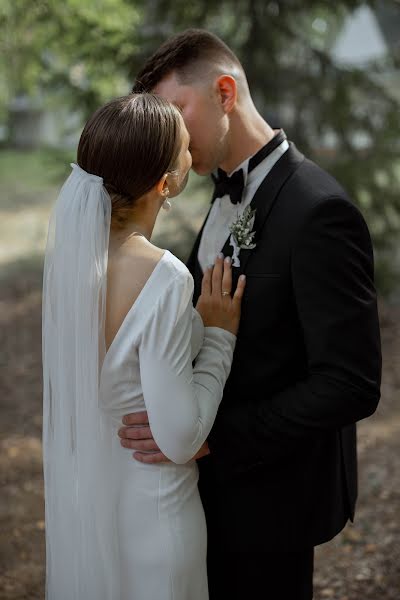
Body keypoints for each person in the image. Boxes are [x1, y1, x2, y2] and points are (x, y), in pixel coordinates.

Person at [118, 29, 382, 599]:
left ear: (224, 93)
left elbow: (351, 383)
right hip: (202, 493)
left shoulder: (322, 212)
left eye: (177, 111)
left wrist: (217, 437)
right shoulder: (220, 195)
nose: (170, 132)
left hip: (273, 499)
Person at [41, 92, 246, 600]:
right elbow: (179, 438)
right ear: (166, 182)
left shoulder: (70, 266)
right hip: (158, 519)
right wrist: (218, 336)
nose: (191, 147)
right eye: (183, 147)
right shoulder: (166, 277)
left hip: (95, 512)